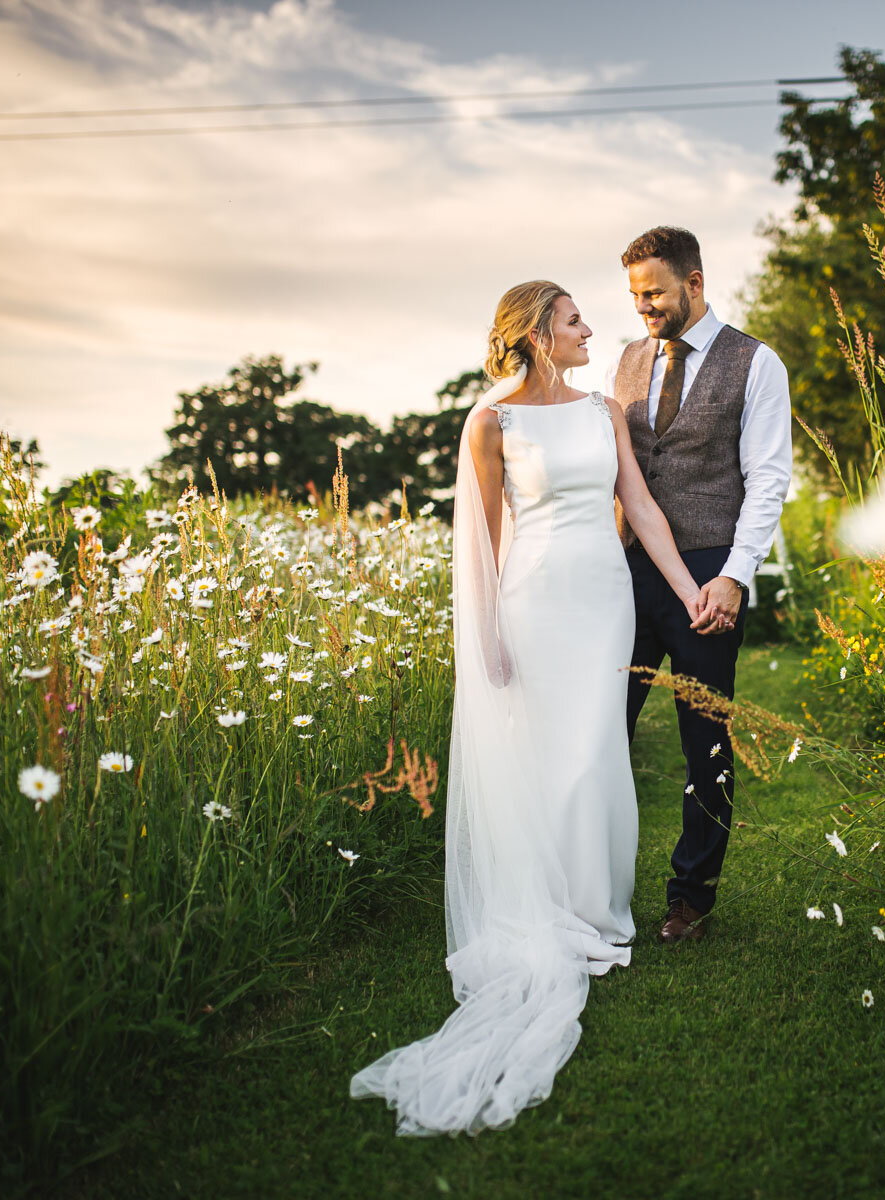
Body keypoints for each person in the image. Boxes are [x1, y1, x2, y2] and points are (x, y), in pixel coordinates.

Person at [349, 280, 707, 1136]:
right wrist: (488, 635)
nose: (592, 330)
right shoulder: (490, 422)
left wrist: (691, 589)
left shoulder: (602, 414)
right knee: (546, 757)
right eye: (577, 319)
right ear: (541, 332)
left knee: (593, 752)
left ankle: (594, 910)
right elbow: (482, 539)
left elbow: (642, 509)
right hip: (534, 599)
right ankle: (544, 908)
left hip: (601, 594)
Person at [611, 226, 793, 945]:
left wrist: (734, 577)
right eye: (633, 294)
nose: (642, 307)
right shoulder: (626, 361)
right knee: (601, 732)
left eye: (652, 292)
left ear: (694, 282)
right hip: (626, 571)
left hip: (711, 573)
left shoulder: (756, 362)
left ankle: (691, 896)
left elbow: (769, 478)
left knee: (705, 744)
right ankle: (594, 884)